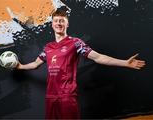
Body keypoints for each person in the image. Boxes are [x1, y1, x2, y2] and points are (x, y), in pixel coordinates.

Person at [16, 9, 145, 119]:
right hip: (50, 97)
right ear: (52, 24)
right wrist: (20, 66)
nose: (59, 23)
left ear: (67, 23)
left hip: (67, 96)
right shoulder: (48, 48)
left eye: (62, 20)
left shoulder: (76, 43)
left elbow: (98, 57)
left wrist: (125, 63)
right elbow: (35, 64)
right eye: (56, 21)